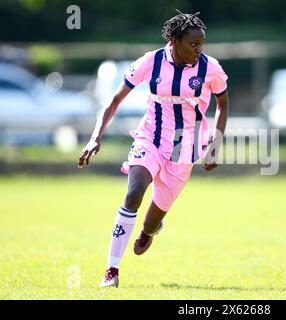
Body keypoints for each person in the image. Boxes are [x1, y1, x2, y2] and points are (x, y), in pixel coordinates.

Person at [78, 10, 229, 288]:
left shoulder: (210, 68)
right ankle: (111, 271)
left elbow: (222, 104)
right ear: (174, 40)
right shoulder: (151, 61)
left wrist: (216, 144)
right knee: (134, 192)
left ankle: (149, 230)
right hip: (150, 138)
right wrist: (95, 136)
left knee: (148, 225)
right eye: (193, 44)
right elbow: (115, 100)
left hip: (184, 151)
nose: (198, 50)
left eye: (201, 45)